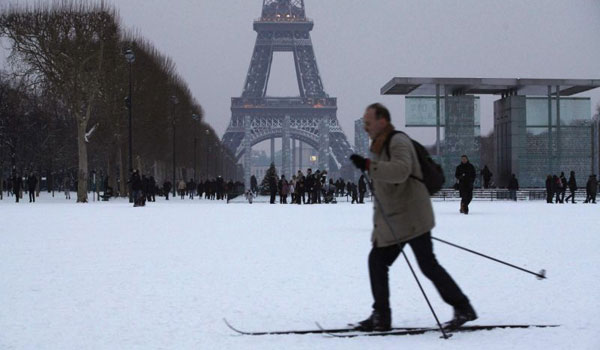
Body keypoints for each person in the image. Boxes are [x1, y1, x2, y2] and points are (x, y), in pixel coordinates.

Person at [349, 103, 476, 332]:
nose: (366, 127)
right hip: (398, 219)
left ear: (382, 121)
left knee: (418, 265)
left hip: (412, 217)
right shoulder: (379, 146)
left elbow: (400, 170)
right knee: (383, 262)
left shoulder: (397, 141)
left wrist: (369, 166)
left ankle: (461, 307)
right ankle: (383, 316)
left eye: (369, 122)